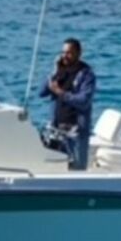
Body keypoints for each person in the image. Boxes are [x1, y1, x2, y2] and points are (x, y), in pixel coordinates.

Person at [40, 37, 96, 170]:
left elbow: (84, 101)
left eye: (69, 53)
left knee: (76, 168)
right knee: (54, 167)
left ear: (79, 53)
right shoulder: (59, 72)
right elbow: (41, 92)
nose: (65, 56)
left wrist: (60, 93)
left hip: (75, 131)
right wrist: (55, 71)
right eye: (63, 52)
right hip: (56, 129)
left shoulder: (87, 75)